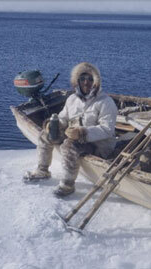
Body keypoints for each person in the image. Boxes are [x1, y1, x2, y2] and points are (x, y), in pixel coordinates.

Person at [23, 62, 118, 197]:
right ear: (77, 81)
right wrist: (53, 125)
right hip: (75, 136)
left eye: (90, 79)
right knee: (45, 135)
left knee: (69, 145)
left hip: (99, 145)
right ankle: (42, 170)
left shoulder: (105, 102)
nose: (86, 82)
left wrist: (82, 132)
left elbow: (107, 129)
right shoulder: (72, 99)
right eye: (83, 78)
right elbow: (63, 117)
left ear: (96, 82)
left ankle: (67, 185)